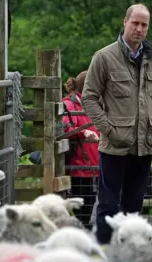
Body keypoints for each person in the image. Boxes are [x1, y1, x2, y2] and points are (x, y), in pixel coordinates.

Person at [81, 3, 152, 244]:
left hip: (145, 145)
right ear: (125, 22)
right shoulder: (104, 57)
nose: (139, 29)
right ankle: (104, 252)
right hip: (114, 146)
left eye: (144, 25)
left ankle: (131, 253)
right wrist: (107, 129)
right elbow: (89, 97)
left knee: (134, 206)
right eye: (135, 23)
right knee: (108, 205)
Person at [62, 71, 100, 229]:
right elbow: (65, 127)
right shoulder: (69, 104)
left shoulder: (94, 104)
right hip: (80, 167)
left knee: (90, 209)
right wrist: (83, 132)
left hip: (95, 166)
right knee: (83, 213)